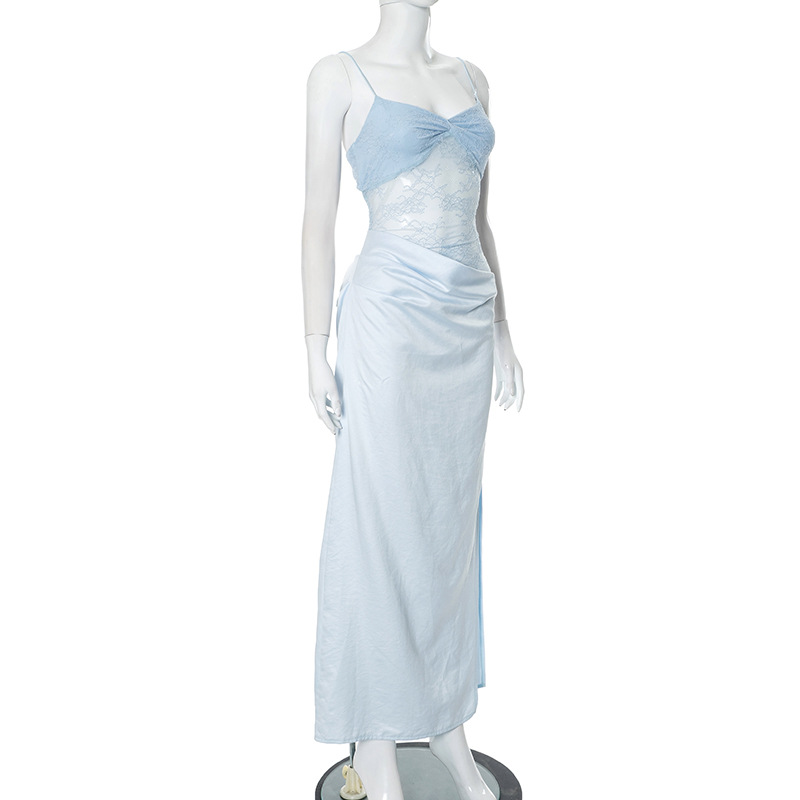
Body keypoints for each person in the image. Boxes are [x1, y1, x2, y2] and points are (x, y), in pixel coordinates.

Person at [301, 2, 524, 798]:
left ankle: (448, 724)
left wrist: (504, 328)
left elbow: (481, 218)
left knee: (448, 533)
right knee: (384, 525)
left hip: (466, 325)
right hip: (389, 323)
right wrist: (314, 347)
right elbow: (317, 218)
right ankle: (376, 741)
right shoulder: (338, 76)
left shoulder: (474, 78)